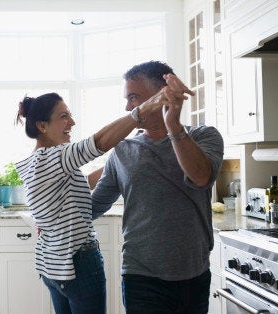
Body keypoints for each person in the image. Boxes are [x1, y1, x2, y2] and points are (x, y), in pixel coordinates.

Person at [15, 75, 193, 314]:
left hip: (53, 266)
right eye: (64, 116)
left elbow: (82, 183)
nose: (72, 122)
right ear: (42, 126)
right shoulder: (55, 157)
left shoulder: (37, 163)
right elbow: (98, 142)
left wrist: (121, 159)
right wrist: (147, 106)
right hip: (78, 263)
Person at [91, 61, 224, 314]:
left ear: (160, 95)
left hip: (193, 274)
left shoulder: (204, 136)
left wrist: (173, 124)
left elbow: (200, 177)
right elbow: (95, 205)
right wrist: (53, 218)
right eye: (127, 98)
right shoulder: (122, 149)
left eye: (133, 97)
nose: (128, 107)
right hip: (141, 276)